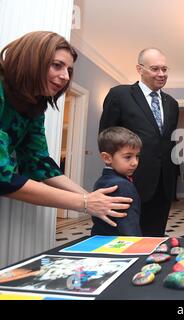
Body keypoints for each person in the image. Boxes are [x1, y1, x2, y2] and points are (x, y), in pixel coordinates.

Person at [0, 31, 130, 225]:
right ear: (31, 60)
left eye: (69, 70)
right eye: (57, 65)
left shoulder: (34, 107)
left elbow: (38, 162)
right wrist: (85, 202)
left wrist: (91, 197)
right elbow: (3, 176)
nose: (65, 76)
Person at [99, 47, 179, 236]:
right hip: (129, 181)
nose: (161, 74)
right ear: (139, 69)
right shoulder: (120, 95)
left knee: (154, 237)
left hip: (163, 184)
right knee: (127, 238)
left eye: (165, 69)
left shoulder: (172, 104)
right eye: (155, 69)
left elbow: (166, 142)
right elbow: (106, 136)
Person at [91, 127, 143, 236]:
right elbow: (129, 226)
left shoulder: (102, 180)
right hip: (119, 244)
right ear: (107, 158)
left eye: (137, 156)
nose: (135, 162)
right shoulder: (121, 185)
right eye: (128, 157)